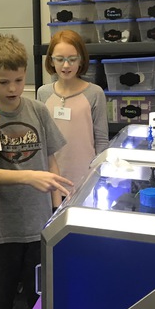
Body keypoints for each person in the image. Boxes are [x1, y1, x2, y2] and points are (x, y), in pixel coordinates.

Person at [0, 33, 73, 309]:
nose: (13, 88)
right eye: (4, 82)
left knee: (38, 304)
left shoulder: (38, 110)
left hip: (38, 228)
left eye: (18, 80)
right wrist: (29, 176)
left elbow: (51, 159)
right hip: (2, 231)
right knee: (1, 307)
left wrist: (56, 210)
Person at [37, 30, 108, 191]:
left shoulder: (95, 93)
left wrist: (99, 176)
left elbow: (101, 141)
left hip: (85, 180)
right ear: (51, 61)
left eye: (72, 59)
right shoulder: (43, 93)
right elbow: (42, 140)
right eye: (60, 59)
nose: (66, 65)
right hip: (51, 180)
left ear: (81, 60)